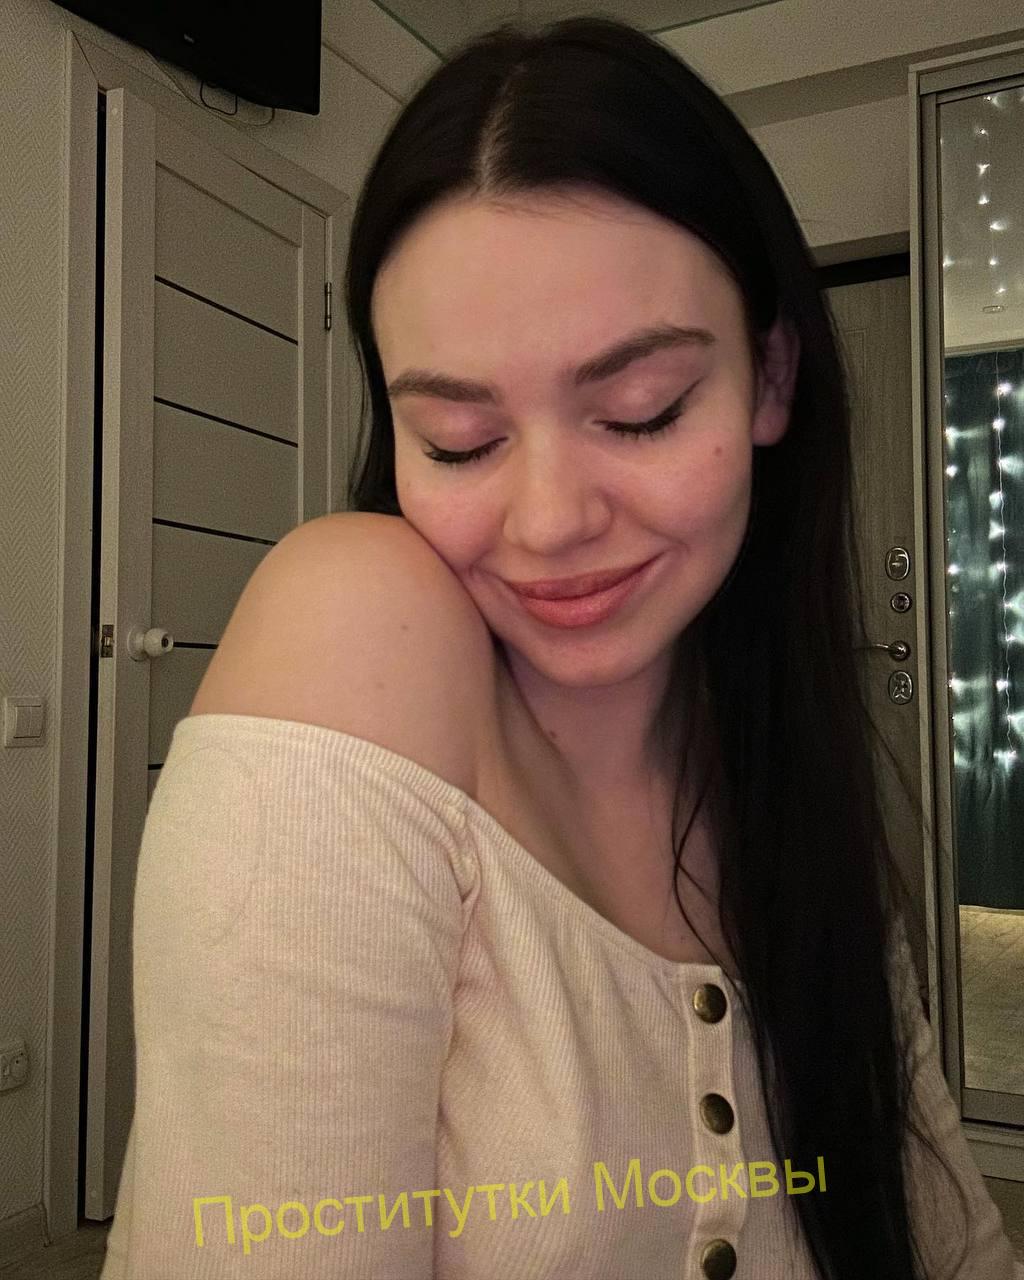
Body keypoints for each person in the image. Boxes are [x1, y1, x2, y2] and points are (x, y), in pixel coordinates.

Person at [100, 15, 1024, 1280]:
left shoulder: (785, 771)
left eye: (639, 412)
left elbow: (949, 1237)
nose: (547, 522)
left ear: (769, 379)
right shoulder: (356, 619)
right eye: (461, 441)